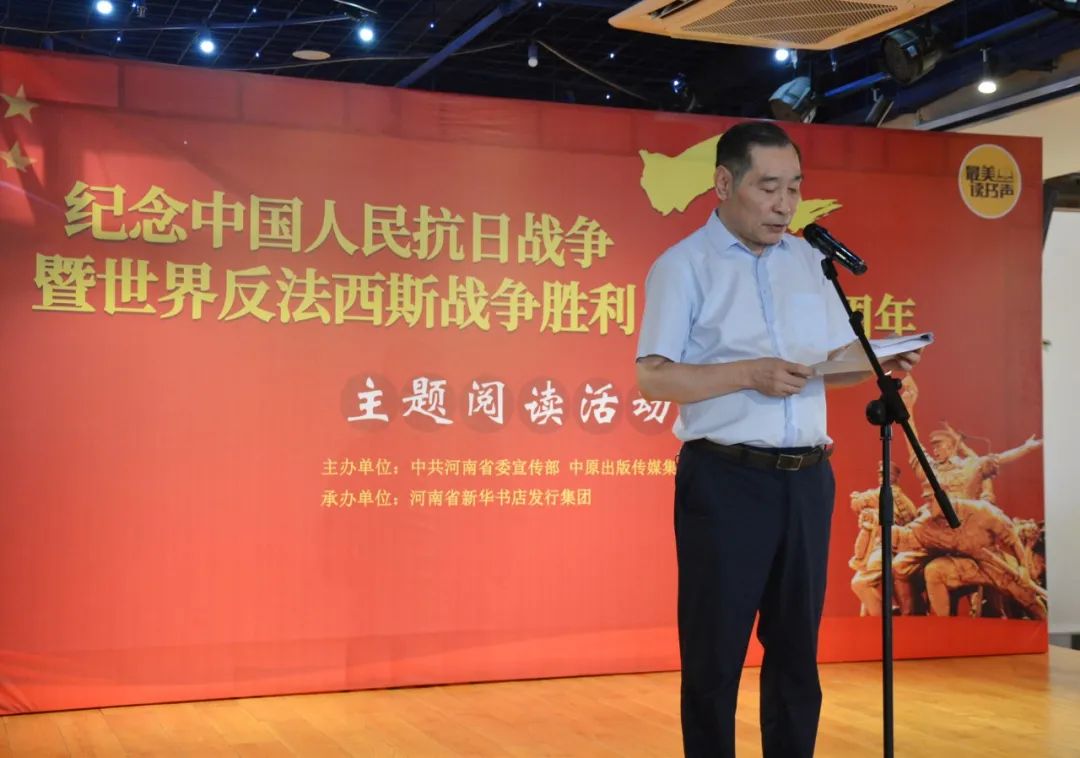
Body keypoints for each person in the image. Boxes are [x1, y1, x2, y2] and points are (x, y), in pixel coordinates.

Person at [635, 120, 923, 758]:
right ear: (723, 183)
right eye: (768, 188)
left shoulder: (809, 264)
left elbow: (829, 365)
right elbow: (652, 376)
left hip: (808, 480)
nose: (785, 204)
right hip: (725, 480)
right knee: (715, 655)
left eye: (794, 188)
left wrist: (878, 359)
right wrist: (748, 374)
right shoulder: (683, 266)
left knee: (796, 652)